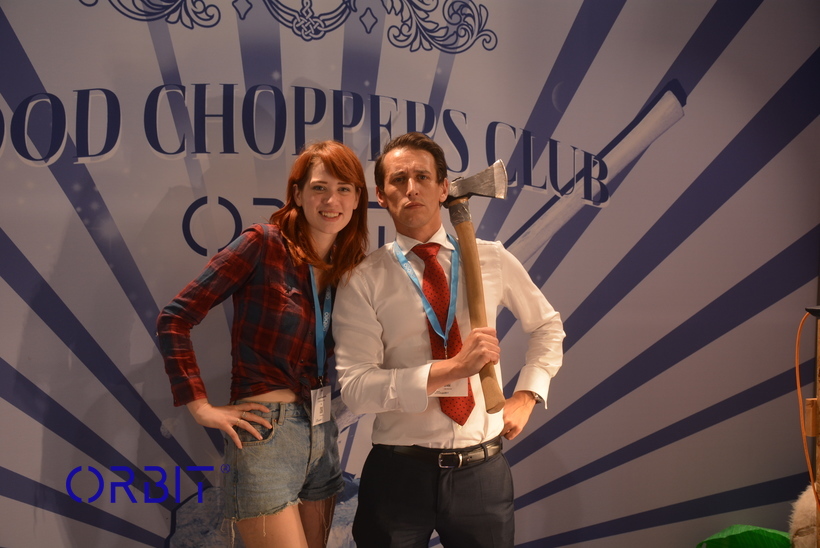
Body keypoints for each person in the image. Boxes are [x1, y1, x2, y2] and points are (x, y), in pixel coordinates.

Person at [332, 132, 565, 548]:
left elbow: (547, 326)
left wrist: (529, 394)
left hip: (483, 474)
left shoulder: (491, 257)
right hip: (397, 477)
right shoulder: (362, 280)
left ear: (444, 188)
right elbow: (357, 389)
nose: (411, 188)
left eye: (422, 177)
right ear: (381, 196)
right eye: (398, 180)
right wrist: (452, 370)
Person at [156, 140, 369, 548]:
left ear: (358, 199)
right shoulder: (263, 243)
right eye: (320, 187)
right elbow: (175, 318)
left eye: (344, 189)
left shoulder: (347, 268)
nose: (332, 200)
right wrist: (200, 407)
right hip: (266, 432)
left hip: (323, 432)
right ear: (298, 194)